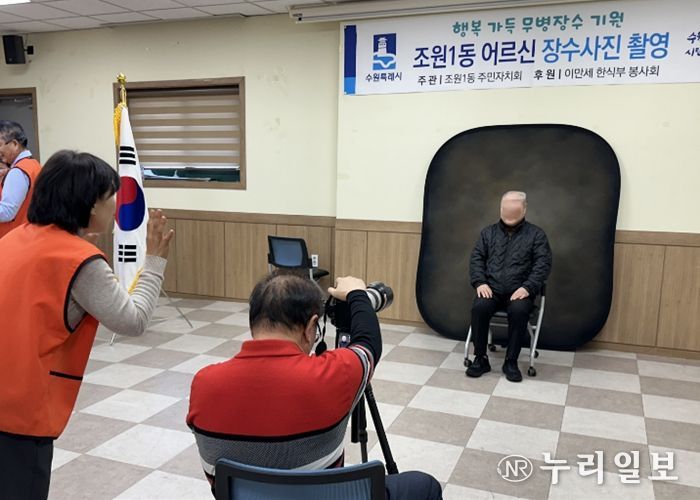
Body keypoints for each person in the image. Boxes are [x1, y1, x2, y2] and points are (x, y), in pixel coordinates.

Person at [0, 150, 174, 500]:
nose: (116, 205)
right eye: (112, 196)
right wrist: (155, 259)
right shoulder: (80, 261)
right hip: (21, 414)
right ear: (93, 204)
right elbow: (134, 320)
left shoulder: (13, 238)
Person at [187, 271, 442, 500]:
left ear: (253, 323)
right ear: (310, 327)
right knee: (424, 485)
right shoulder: (337, 375)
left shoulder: (204, 384)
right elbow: (368, 344)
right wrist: (358, 295)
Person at [467, 191, 552, 382]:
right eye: (506, 212)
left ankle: (511, 361)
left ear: (524, 210)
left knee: (519, 311)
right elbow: (476, 259)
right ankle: (480, 358)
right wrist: (480, 282)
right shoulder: (488, 233)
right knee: (479, 308)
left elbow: (543, 265)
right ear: (500, 209)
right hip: (491, 289)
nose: (509, 217)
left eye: (514, 213)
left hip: (520, 292)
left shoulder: (537, 235)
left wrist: (527, 288)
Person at [0, 121, 42, 239]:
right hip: (29, 235)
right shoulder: (33, 164)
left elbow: (7, 212)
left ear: (14, 144)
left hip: (13, 237)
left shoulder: (18, 171)